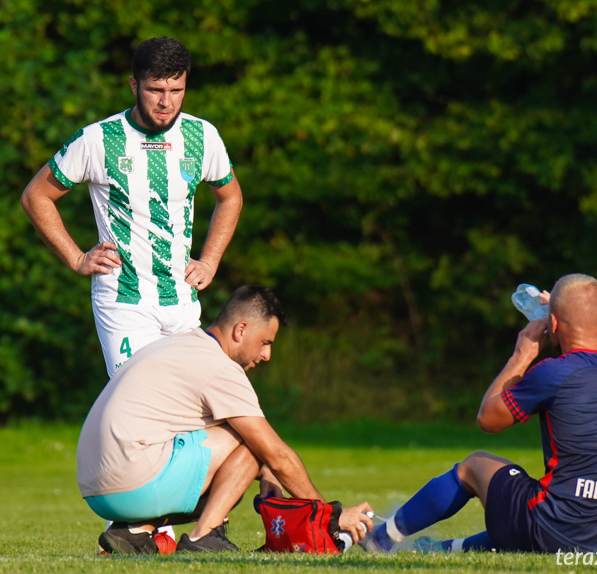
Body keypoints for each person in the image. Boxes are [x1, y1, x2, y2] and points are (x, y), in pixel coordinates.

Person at [361, 273, 597, 554]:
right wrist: (565, 311)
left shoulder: (556, 373)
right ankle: (445, 549)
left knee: (475, 465)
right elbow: (589, 346)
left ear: (552, 321)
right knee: (531, 504)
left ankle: (380, 539)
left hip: (556, 531)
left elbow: (488, 419)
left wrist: (522, 355)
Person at [76, 285, 375, 554]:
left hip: (97, 491)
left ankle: (134, 531)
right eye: (265, 342)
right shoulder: (220, 368)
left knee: (234, 472)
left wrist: (267, 471)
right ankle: (203, 537)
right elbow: (277, 453)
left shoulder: (182, 345)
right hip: (133, 483)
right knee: (251, 441)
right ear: (241, 330)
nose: (267, 354)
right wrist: (329, 519)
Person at [20, 36, 243, 377]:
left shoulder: (203, 135)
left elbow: (230, 197)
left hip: (181, 300)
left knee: (187, 404)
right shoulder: (98, 139)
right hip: (124, 301)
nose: (166, 102)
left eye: (176, 91)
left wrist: (210, 260)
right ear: (134, 84)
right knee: (139, 399)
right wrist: (76, 258)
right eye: (155, 90)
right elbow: (36, 196)